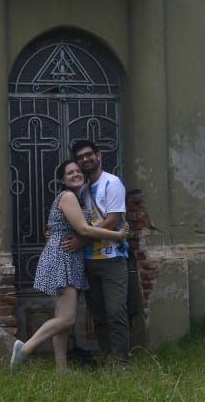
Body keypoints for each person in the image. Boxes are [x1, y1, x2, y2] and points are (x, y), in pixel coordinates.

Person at [11, 158, 128, 372]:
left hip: (68, 257)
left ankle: (61, 368)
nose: (75, 174)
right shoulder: (67, 197)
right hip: (62, 257)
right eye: (69, 173)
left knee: (61, 316)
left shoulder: (76, 198)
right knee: (67, 318)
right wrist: (117, 235)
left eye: (77, 171)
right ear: (62, 179)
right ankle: (24, 350)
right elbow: (84, 230)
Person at [61, 139, 132, 367]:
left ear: (98, 155)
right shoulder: (81, 189)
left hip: (112, 259)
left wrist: (82, 240)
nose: (85, 159)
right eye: (80, 157)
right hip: (89, 261)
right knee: (98, 315)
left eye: (89, 154)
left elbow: (112, 221)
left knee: (116, 311)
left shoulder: (112, 183)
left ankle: (121, 362)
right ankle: (107, 356)